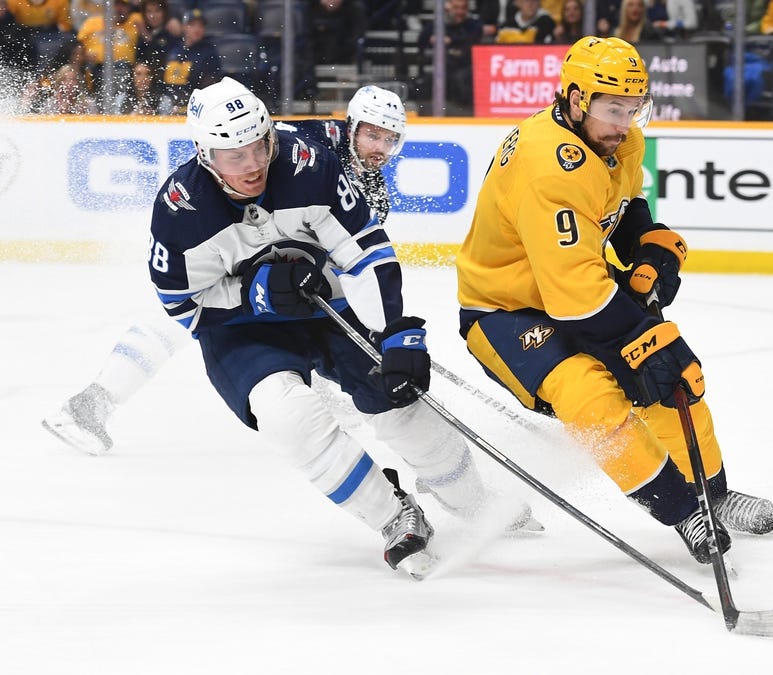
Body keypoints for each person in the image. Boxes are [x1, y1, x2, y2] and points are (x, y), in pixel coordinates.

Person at [46, 82, 537, 562]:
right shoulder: (180, 210)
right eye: (234, 155)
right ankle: (392, 515)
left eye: (259, 146)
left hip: (325, 302)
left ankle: (474, 502)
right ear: (203, 152)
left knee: (400, 400)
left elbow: (365, 248)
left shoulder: (309, 164)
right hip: (242, 329)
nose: (254, 164)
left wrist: (395, 330)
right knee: (288, 416)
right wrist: (252, 296)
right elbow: (180, 306)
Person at [454, 36, 773, 566]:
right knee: (594, 399)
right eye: (614, 109)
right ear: (576, 98)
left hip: (573, 287)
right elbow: (578, 299)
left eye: (635, 109)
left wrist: (647, 246)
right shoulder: (548, 168)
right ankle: (684, 512)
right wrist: (642, 339)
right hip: (505, 311)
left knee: (677, 377)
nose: (625, 123)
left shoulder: (617, 140)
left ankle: (714, 497)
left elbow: (619, 205)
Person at [159, 9, 220, 114]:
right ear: (183, 27)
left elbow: (210, 86)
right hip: (165, 101)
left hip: (192, 105)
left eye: (201, 26)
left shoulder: (209, 52)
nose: (197, 29)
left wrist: (188, 104)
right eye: (192, 25)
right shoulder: (172, 47)